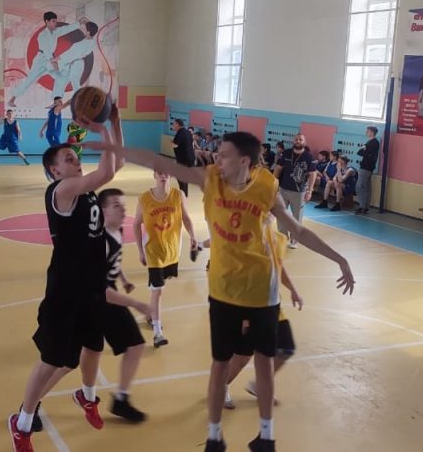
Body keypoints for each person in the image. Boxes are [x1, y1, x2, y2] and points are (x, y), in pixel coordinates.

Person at [81, 130, 356, 452]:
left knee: (264, 365)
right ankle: (214, 437)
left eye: (224, 155)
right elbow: (159, 162)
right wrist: (116, 147)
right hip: (224, 291)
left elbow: (297, 230)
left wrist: (340, 259)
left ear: (244, 161)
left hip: (262, 293)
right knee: (220, 365)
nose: (216, 158)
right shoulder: (211, 179)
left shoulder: (266, 187)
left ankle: (266, 436)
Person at [7, 107, 124, 452]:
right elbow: (106, 171)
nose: (76, 160)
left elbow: (115, 164)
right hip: (65, 289)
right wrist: (101, 130)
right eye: (69, 159)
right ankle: (22, 422)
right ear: (55, 170)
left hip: (91, 285)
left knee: (91, 348)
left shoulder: (83, 190)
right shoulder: (61, 191)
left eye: (75, 157)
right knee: (52, 360)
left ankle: (86, 396)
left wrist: (115, 122)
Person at [223, 228, 301, 410]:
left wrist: (293, 290)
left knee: (286, 347)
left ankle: (259, 385)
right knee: (243, 355)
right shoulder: (245, 238)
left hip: (272, 306)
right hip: (249, 306)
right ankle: (221, 386)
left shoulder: (277, 239)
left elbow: (279, 267)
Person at [97, 188, 154, 422]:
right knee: (65, 362)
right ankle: (31, 406)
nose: (123, 210)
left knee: (135, 345)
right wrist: (137, 304)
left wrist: (124, 279)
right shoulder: (100, 242)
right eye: (116, 206)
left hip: (108, 292)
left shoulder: (117, 230)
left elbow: (113, 261)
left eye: (124, 205)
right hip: (98, 300)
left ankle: (121, 399)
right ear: (102, 211)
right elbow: (101, 291)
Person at [133, 171, 197, 348]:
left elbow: (185, 217)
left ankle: (150, 313)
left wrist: (193, 236)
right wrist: (140, 250)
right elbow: (136, 224)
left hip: (171, 249)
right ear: (154, 175)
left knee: (159, 285)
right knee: (158, 290)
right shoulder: (144, 199)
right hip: (152, 250)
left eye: (166, 173)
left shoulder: (178, 195)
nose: (163, 176)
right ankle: (157, 333)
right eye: (160, 173)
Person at [7, 12, 88, 107]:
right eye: (53, 21)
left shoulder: (55, 32)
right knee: (29, 80)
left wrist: (79, 23)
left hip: (50, 61)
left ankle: (56, 101)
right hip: (41, 61)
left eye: (55, 21)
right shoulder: (42, 35)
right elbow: (46, 51)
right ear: (47, 21)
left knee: (61, 76)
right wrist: (54, 63)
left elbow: (66, 29)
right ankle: (12, 99)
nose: (55, 23)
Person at [273, 135, 315, 248]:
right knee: (280, 214)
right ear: (293, 141)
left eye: (300, 139)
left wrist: (310, 191)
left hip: (299, 192)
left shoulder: (308, 157)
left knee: (297, 216)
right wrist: (273, 184)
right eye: (296, 139)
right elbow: (278, 168)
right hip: (283, 189)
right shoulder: (286, 153)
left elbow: (313, 174)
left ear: (304, 142)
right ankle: (282, 237)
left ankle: (294, 240)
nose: (298, 141)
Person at [355, 126, 380, 215]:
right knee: (366, 187)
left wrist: (364, 148)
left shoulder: (373, 143)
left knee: (360, 186)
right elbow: (361, 152)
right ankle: (365, 207)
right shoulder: (370, 142)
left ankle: (362, 206)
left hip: (366, 167)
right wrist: (364, 149)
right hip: (368, 167)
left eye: (368, 131)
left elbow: (362, 152)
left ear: (372, 132)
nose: (366, 132)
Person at [170, 119, 195, 196]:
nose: (173, 126)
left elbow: (175, 145)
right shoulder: (188, 132)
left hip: (184, 159)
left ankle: (183, 194)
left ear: (178, 124)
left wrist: (171, 142)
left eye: (174, 124)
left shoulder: (180, 133)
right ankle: (183, 193)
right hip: (190, 158)